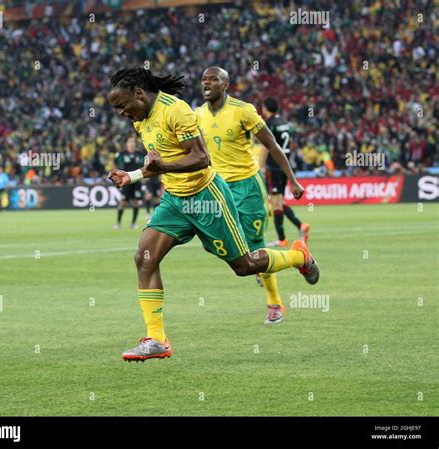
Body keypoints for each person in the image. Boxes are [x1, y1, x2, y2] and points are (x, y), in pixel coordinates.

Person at [107, 67, 319, 362]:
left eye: (121, 105)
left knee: (245, 265)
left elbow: (200, 158)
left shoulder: (176, 110)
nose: (120, 112)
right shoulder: (140, 119)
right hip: (175, 201)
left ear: (139, 94)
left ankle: (299, 256)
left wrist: (161, 169)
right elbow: (161, 161)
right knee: (145, 258)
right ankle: (156, 339)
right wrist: (132, 176)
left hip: (208, 196)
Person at [195, 67, 304, 325]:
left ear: (225, 85)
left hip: (248, 187)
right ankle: (260, 262)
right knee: (208, 240)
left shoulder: (243, 110)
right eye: (204, 80)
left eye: (213, 79)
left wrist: (293, 180)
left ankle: (275, 303)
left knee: (255, 246)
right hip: (217, 187)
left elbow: (271, 145)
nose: (207, 83)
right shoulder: (196, 114)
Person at [262, 97, 310, 246]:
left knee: (276, 204)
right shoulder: (284, 122)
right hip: (285, 165)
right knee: (280, 202)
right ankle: (300, 225)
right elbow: (289, 143)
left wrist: (262, 166)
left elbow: (266, 146)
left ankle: (282, 239)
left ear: (265, 108)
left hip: (274, 165)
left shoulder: (269, 124)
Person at [114, 135, 145, 229]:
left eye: (133, 141)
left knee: (136, 202)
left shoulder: (140, 154)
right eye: (130, 141)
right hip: (126, 182)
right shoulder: (121, 154)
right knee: (123, 202)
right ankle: (118, 223)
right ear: (126, 143)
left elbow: (144, 166)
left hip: (137, 182)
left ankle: (133, 223)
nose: (132, 143)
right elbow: (116, 166)